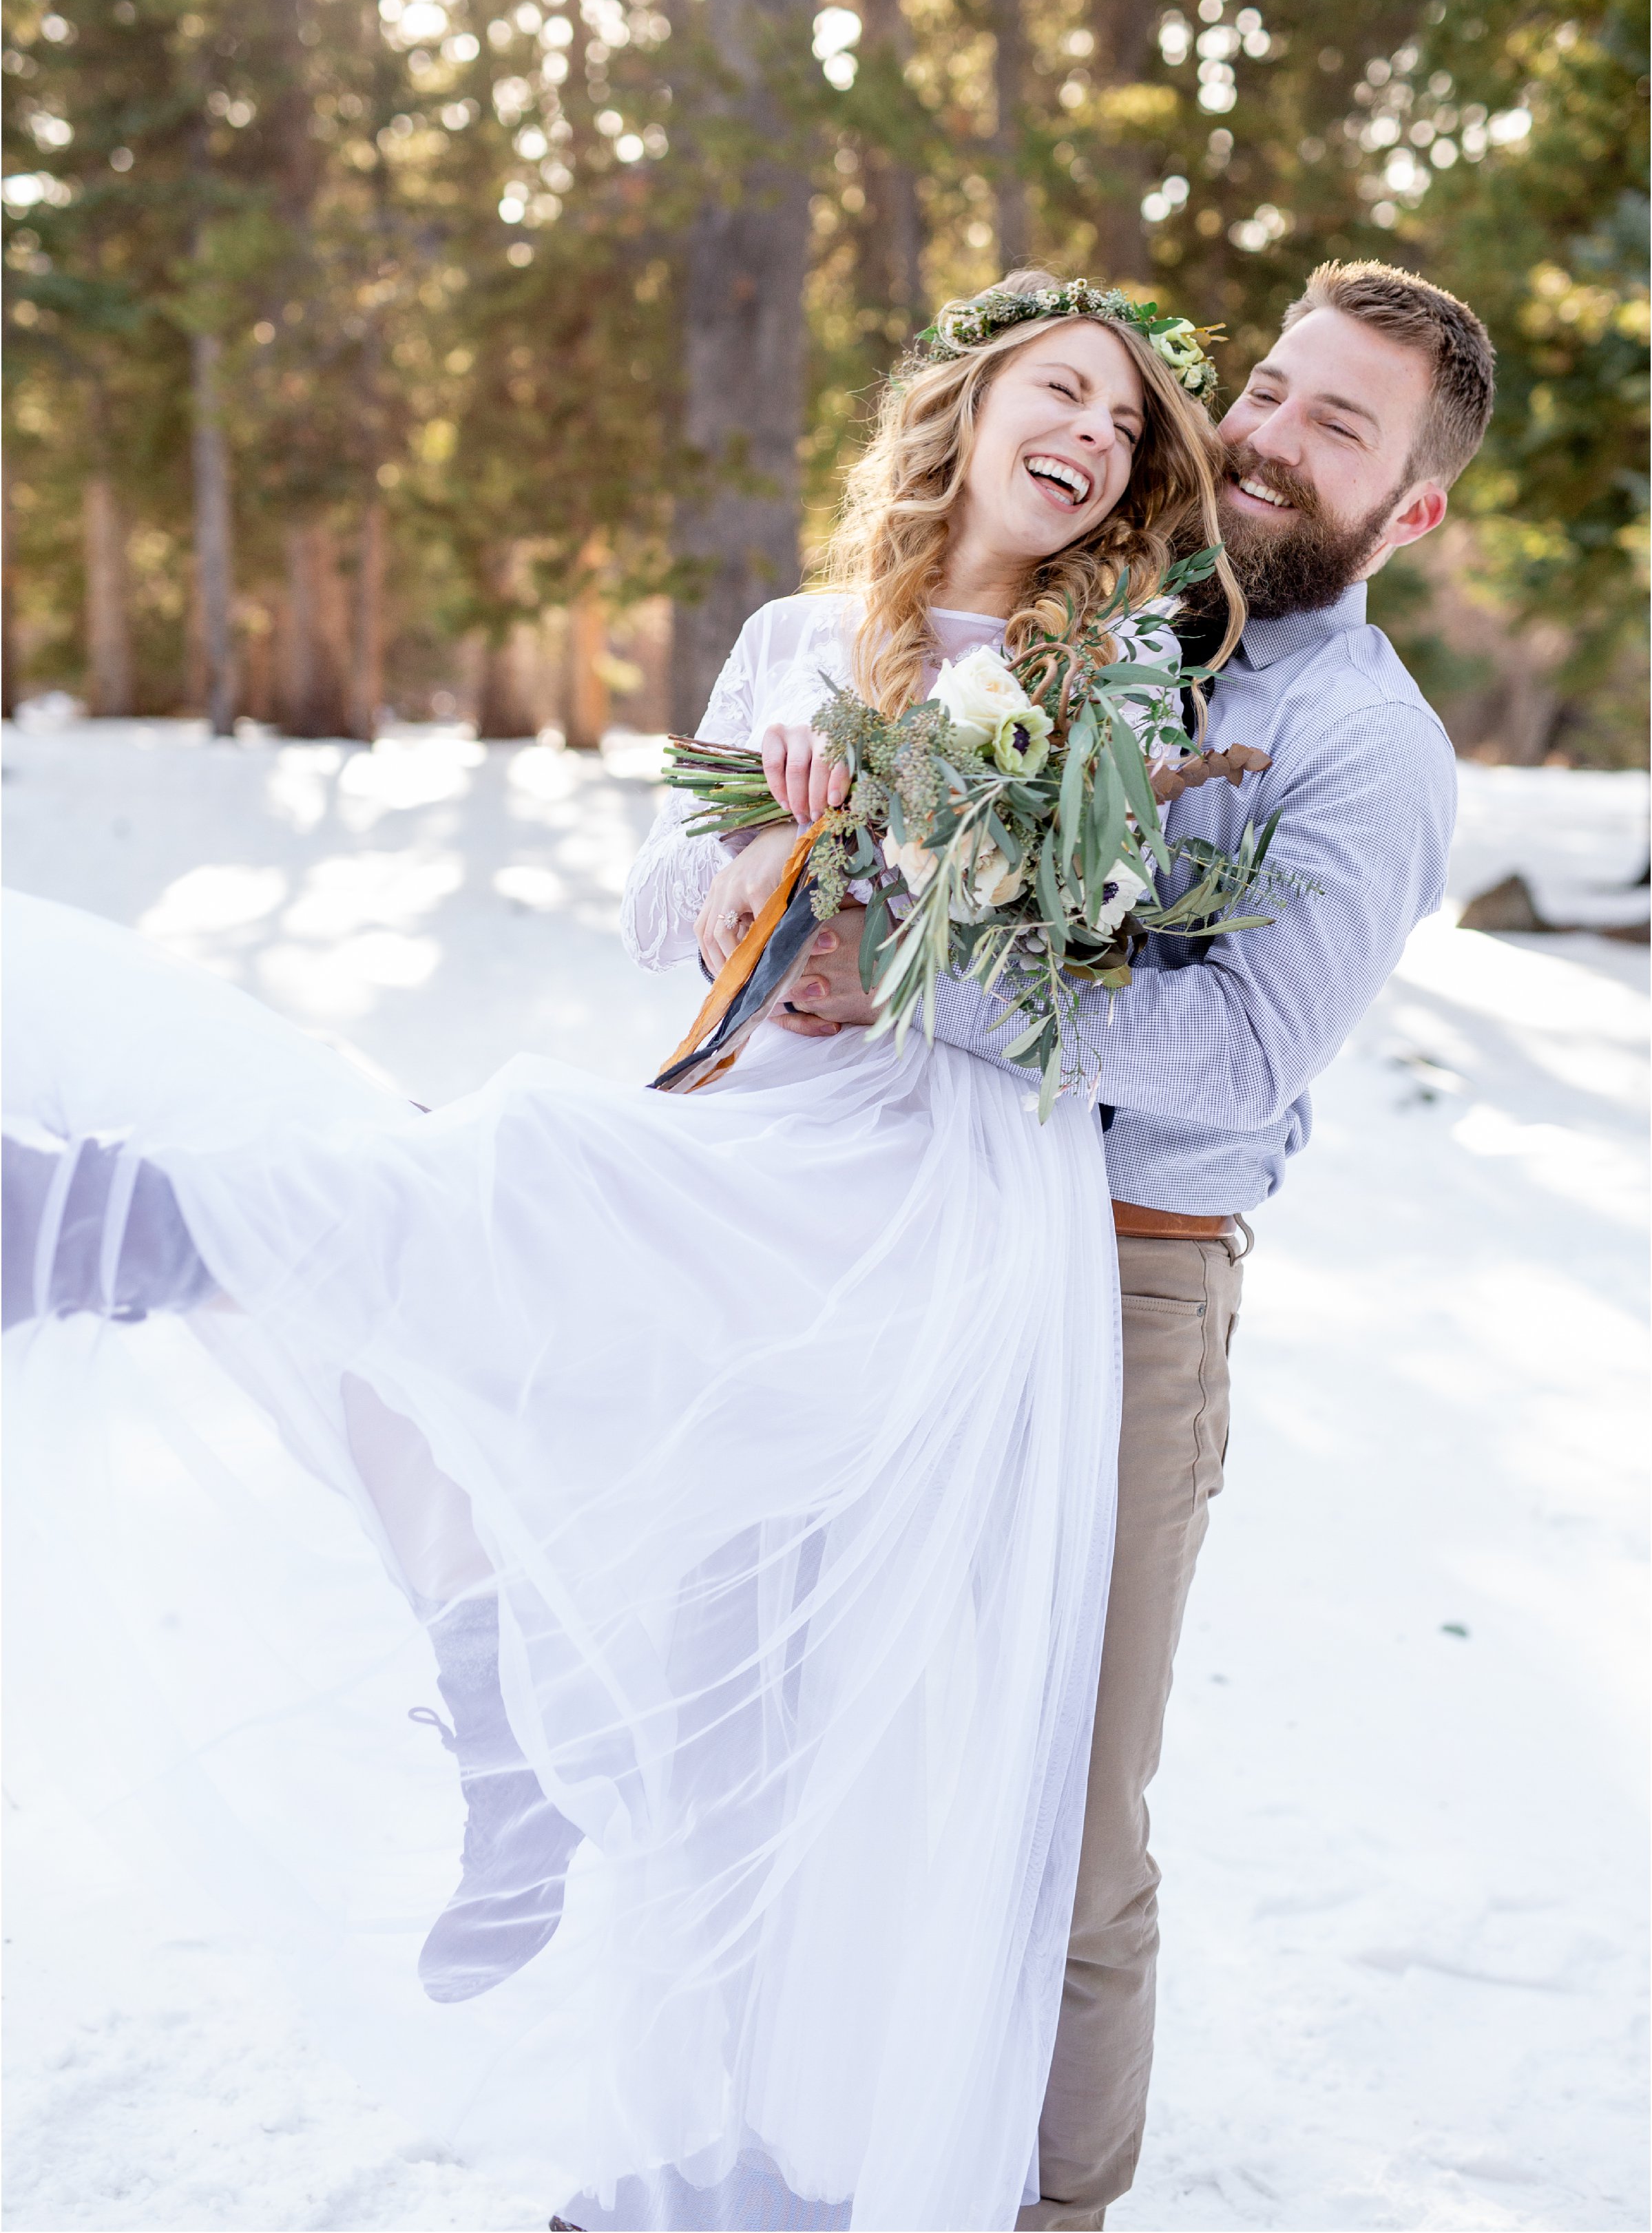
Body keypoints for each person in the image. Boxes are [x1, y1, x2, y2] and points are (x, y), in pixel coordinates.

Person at [5, 273, 1246, 2233]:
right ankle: (679, 2124)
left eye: (1125, 428)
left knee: (547, 1207)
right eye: (1063, 391)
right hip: (757, 1120)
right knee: (702, 1660)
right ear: (975, 398)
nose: (1092, 434)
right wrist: (759, 881)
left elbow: (1097, 948)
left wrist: (926, 908)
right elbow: (661, 891)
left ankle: (122, 1224)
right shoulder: (796, 634)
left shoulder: (1122, 687)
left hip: (937, 1187)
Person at [763, 259, 1496, 2229]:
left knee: (1070, 1831)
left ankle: (1053, 2213)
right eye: (1270, 388)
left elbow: (1230, 1045)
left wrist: (918, 984)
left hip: (1132, 1274)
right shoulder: (1090, 615)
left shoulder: (1369, 752)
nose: (1267, 436)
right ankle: (799, 2147)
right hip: (916, 1243)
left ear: (1410, 510)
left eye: (1342, 427)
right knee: (847, 1732)